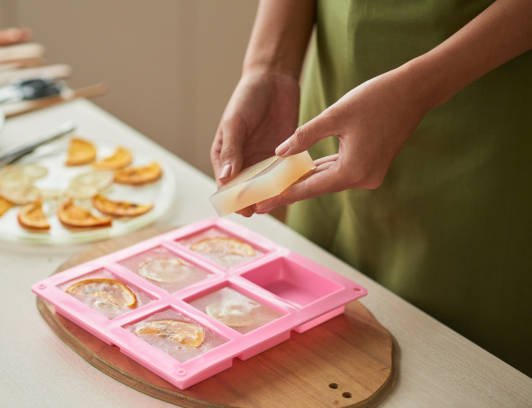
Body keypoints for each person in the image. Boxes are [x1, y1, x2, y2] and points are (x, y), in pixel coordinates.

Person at [211, 0, 532, 375]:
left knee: (450, 372)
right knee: (311, 347)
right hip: (334, 95)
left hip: (486, 116)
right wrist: (270, 67)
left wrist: (418, 90)